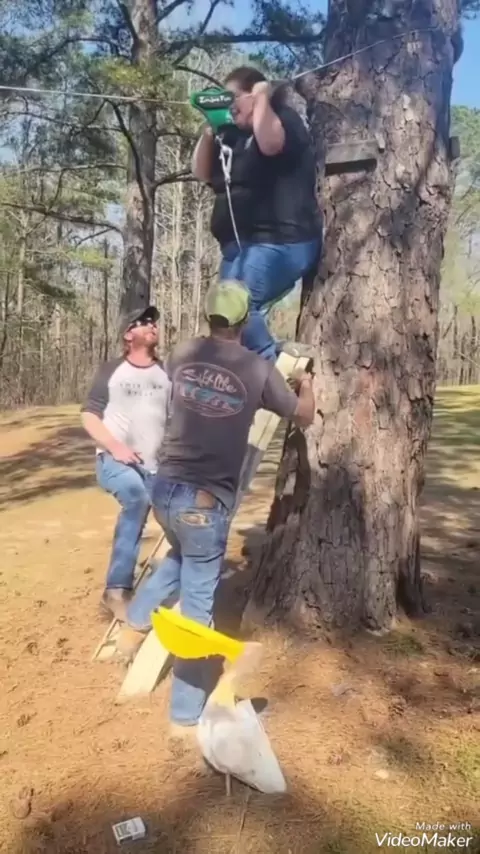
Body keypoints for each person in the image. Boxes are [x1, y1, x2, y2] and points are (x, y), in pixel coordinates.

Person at [116, 280, 315, 730]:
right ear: (245, 320)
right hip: (204, 502)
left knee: (179, 558)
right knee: (197, 612)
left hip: (165, 489)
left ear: (209, 316)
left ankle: (134, 626)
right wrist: (305, 384)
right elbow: (302, 415)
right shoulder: (257, 369)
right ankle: (185, 716)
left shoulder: (184, 352)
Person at [192, 65, 322, 362]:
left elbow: (271, 144)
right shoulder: (229, 137)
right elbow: (201, 172)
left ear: (255, 93)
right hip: (237, 249)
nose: (228, 105)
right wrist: (210, 129)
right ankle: (255, 368)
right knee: (223, 319)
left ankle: (273, 368)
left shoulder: (283, 120)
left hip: (282, 241)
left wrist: (263, 97)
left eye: (233, 97)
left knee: (240, 306)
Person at [81, 306, 171, 620]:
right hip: (114, 461)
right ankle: (116, 591)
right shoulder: (112, 370)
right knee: (136, 498)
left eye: (154, 322)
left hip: (156, 468)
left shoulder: (166, 373)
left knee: (178, 516)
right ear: (128, 334)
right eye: (143, 322)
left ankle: (169, 581)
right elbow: (89, 416)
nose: (152, 326)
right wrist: (115, 446)